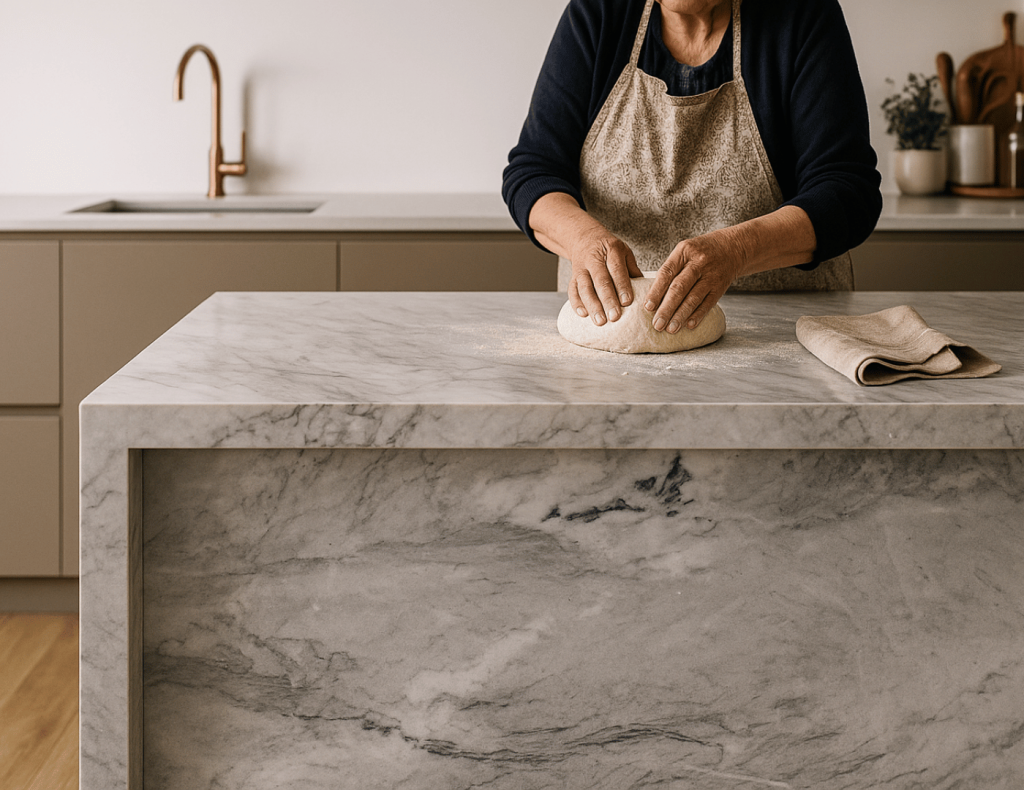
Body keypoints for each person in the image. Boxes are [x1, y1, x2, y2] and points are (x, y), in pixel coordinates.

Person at [502, 0, 882, 334]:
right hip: (611, 323)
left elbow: (847, 190)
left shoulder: (801, 13)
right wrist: (582, 239)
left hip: (785, 328)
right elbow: (534, 171)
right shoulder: (598, 13)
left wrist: (738, 250)